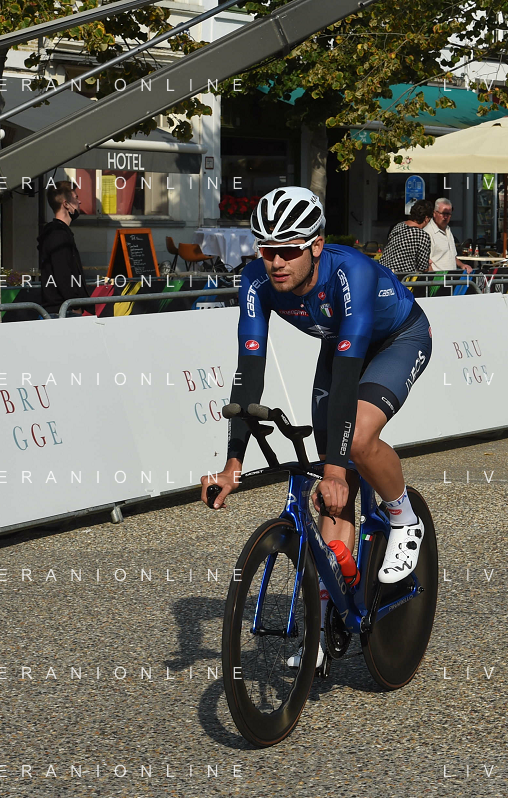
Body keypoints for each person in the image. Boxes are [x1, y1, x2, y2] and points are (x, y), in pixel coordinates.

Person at [200, 187, 433, 668]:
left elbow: (347, 378)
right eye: (267, 249)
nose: (276, 262)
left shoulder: (352, 273)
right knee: (333, 489)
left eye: (288, 250)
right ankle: (326, 624)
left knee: (356, 443)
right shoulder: (256, 280)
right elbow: (249, 373)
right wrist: (232, 464)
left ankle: (402, 516)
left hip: (397, 339)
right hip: (339, 342)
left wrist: (335, 469)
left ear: (317, 245)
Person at [37, 181, 89, 315]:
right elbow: (63, 273)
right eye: (76, 197)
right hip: (63, 310)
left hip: (62, 308)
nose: (80, 202)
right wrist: (74, 304)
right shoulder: (58, 235)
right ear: (66, 204)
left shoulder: (58, 233)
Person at [381, 199, 435, 275]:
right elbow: (423, 267)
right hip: (401, 276)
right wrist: (428, 264)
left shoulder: (399, 226)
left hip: (383, 271)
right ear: (426, 218)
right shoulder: (422, 236)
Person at [424, 198, 472, 273]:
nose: (445, 217)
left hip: (451, 277)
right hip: (438, 278)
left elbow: (451, 256)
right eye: (443, 213)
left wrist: (462, 265)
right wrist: (434, 277)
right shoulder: (427, 233)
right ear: (434, 213)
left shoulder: (448, 229)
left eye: (448, 214)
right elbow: (426, 262)